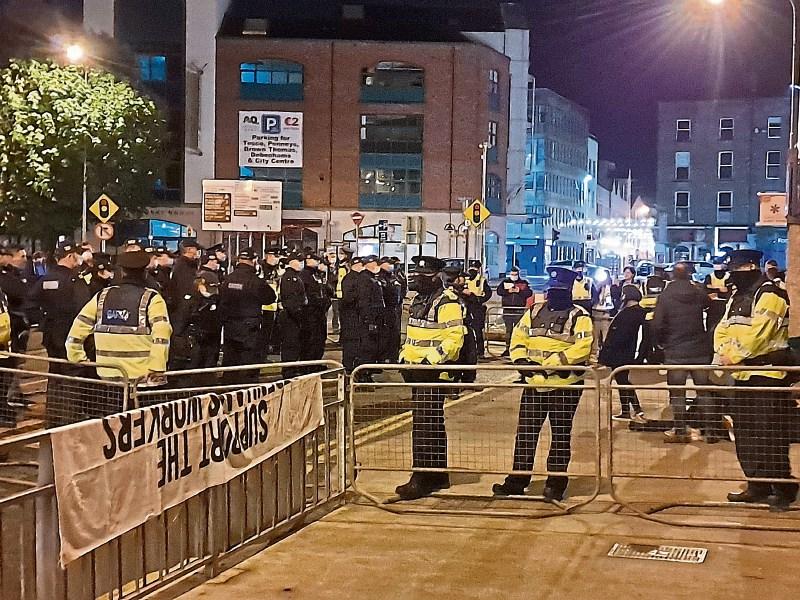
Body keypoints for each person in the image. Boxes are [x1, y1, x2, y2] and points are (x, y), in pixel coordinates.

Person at [493, 266, 593, 501]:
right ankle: (517, 480)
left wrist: (550, 364)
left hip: (565, 386)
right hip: (534, 383)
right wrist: (521, 361)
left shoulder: (580, 316)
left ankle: (556, 484)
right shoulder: (534, 311)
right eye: (552, 289)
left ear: (569, 291)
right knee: (526, 434)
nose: (553, 294)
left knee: (560, 435)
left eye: (559, 290)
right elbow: (519, 337)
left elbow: (582, 348)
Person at [715, 249, 798, 511]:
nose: (732, 276)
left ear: (751, 266)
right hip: (743, 375)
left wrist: (734, 355)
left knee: (769, 435)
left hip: (768, 375)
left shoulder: (770, 294)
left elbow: (760, 334)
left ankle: (783, 488)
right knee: (746, 434)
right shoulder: (738, 296)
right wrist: (724, 353)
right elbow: (722, 328)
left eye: (736, 270)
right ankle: (757, 484)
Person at [395, 256, 466, 500]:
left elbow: (454, 339)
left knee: (424, 426)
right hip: (417, 371)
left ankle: (422, 477)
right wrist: (404, 358)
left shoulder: (447, 302)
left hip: (433, 372)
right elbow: (413, 336)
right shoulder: (419, 300)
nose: (416, 278)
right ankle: (437, 474)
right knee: (430, 424)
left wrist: (429, 362)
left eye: (422, 275)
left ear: (436, 277)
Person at [66, 250, 172, 411]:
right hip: (142, 383)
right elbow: (162, 336)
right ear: (144, 273)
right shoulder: (152, 299)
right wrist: (156, 369)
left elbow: (76, 331)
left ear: (121, 272)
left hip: (109, 380)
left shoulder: (102, 296)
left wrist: (78, 358)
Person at [652, 262, 720, 443]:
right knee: (704, 391)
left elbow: (657, 324)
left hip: (675, 351)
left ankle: (681, 431)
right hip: (699, 348)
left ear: (673, 275)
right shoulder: (698, 292)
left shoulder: (666, 295)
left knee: (678, 393)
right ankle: (712, 432)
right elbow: (712, 307)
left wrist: (661, 343)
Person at [27, 241, 85, 426]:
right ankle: (68, 419)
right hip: (72, 335)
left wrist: (44, 320)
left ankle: (52, 418)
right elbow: (82, 307)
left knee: (54, 375)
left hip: (51, 335)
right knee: (71, 378)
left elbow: (30, 303)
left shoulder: (46, 279)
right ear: (70, 256)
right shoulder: (75, 279)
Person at [218, 248, 275, 382]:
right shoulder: (255, 281)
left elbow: (221, 298)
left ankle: (228, 390)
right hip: (249, 327)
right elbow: (270, 297)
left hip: (230, 326)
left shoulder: (228, 279)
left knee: (230, 361)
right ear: (254, 261)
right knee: (248, 362)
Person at [599, 284, 648, 423]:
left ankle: (634, 410)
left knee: (623, 381)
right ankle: (628, 410)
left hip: (620, 353)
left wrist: (605, 355)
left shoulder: (627, 314)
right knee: (622, 380)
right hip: (630, 352)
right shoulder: (641, 312)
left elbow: (617, 336)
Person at [188, 249, 223, 373]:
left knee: (199, 348)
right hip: (209, 318)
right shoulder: (210, 276)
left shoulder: (198, 273)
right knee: (209, 349)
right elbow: (213, 296)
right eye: (214, 260)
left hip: (197, 317)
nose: (216, 263)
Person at [278, 252, 308, 378]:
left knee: (295, 344)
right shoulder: (289, 277)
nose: (302, 263)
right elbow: (291, 299)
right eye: (299, 261)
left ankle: (292, 368)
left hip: (295, 315)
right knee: (290, 344)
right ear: (292, 262)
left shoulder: (295, 276)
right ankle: (288, 371)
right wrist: (298, 314)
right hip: (290, 316)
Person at [299, 251, 331, 363]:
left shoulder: (317, 275)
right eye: (316, 260)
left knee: (320, 338)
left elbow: (325, 290)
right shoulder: (304, 275)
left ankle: (317, 362)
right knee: (311, 340)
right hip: (310, 312)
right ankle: (309, 363)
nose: (318, 263)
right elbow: (309, 294)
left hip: (319, 312)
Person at [356, 256, 386, 372]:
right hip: (369, 319)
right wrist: (369, 320)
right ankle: (364, 374)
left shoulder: (372, 278)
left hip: (375, 318)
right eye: (375, 264)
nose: (377, 267)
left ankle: (370, 369)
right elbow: (364, 301)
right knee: (367, 347)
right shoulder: (364, 279)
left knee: (373, 346)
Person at [496, 266, 532, 357]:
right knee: (508, 331)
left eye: (515, 274)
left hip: (519, 310)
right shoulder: (505, 282)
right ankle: (507, 348)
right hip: (507, 309)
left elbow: (529, 293)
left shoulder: (523, 283)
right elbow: (499, 291)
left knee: (518, 331)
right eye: (512, 274)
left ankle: (517, 349)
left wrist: (519, 291)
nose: (513, 276)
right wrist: (508, 291)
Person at [378, 256, 403, 363]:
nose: (391, 266)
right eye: (388, 264)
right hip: (385, 309)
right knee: (384, 334)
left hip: (394, 309)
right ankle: (383, 357)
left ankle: (393, 356)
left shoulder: (394, 276)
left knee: (394, 333)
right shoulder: (380, 277)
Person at [464, 260, 492, 358]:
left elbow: (488, 294)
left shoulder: (482, 280)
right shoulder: (465, 279)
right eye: (471, 268)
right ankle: (468, 351)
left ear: (478, 269)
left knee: (478, 331)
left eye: (474, 269)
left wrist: (479, 300)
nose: (472, 271)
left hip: (477, 307)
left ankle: (480, 352)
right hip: (466, 306)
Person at [261, 248, 282, 356]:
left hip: (274, 306)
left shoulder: (276, 270)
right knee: (263, 333)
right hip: (263, 307)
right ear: (268, 256)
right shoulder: (260, 268)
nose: (277, 259)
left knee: (272, 331)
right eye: (275, 256)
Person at [704, 257, 730, 341]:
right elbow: (707, 289)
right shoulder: (709, 277)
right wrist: (720, 289)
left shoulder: (728, 276)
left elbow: (727, 290)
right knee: (711, 327)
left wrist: (714, 289)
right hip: (713, 306)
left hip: (725, 305)